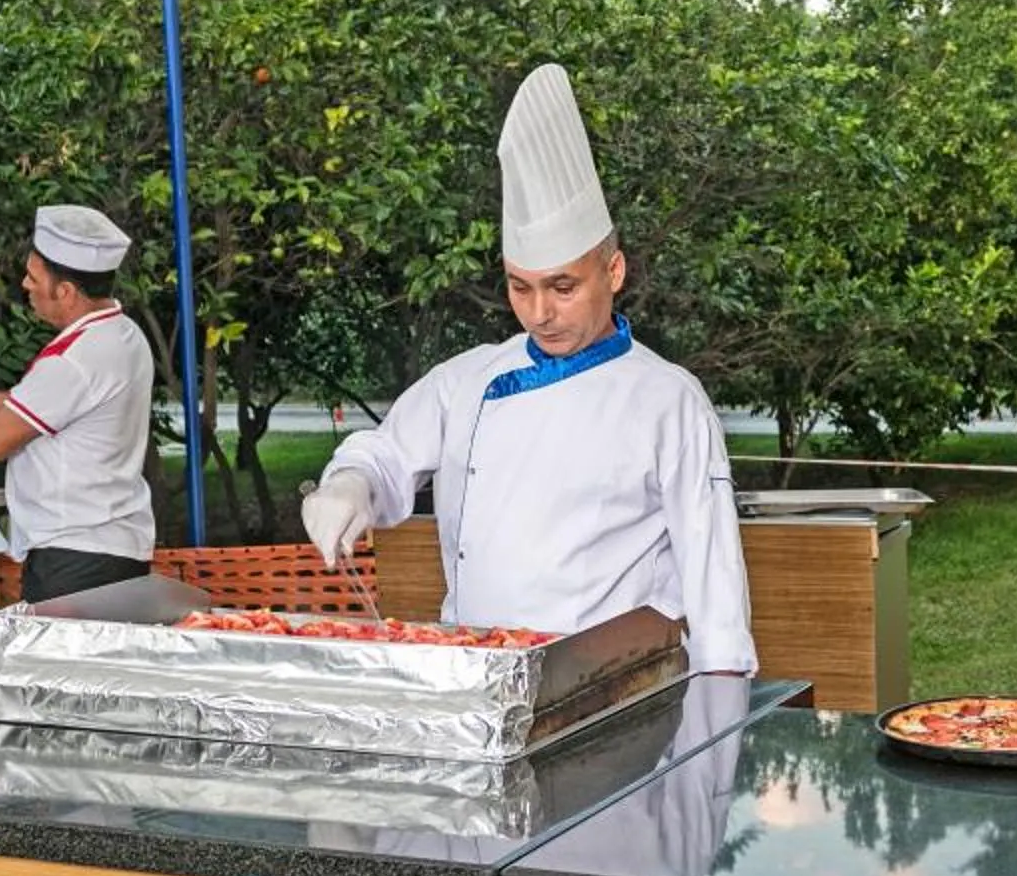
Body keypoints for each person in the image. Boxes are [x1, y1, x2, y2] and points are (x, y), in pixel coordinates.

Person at [299, 64, 757, 675]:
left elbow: (713, 576)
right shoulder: (467, 380)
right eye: (521, 287)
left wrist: (719, 707)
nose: (540, 312)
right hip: (473, 674)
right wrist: (348, 484)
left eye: (563, 287)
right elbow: (383, 455)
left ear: (613, 272)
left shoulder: (669, 400)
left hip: (607, 692)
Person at [0, 206, 156, 603]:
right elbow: (34, 403)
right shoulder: (122, 333)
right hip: (113, 551)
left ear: (66, 291)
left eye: (34, 277)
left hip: (75, 560)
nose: (25, 284)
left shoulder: (74, 360)